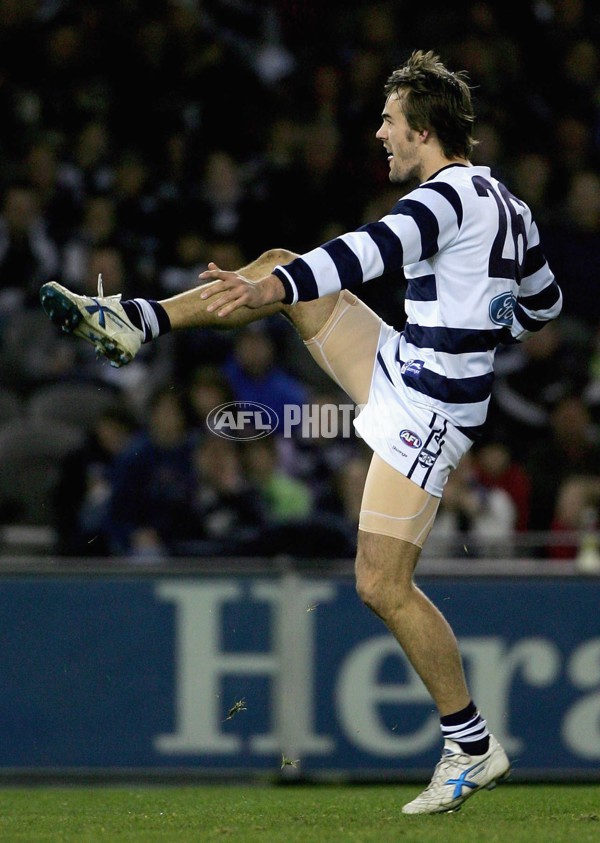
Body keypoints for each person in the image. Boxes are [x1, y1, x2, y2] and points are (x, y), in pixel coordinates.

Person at [39, 50, 562, 814]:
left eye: (389, 120)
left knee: (380, 583)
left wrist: (266, 289)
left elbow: (364, 252)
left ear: (422, 127)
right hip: (406, 364)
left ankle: (473, 745)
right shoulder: (510, 206)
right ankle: (139, 319)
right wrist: (485, 317)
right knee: (284, 259)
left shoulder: (444, 199)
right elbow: (542, 305)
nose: (380, 133)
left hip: (428, 410)